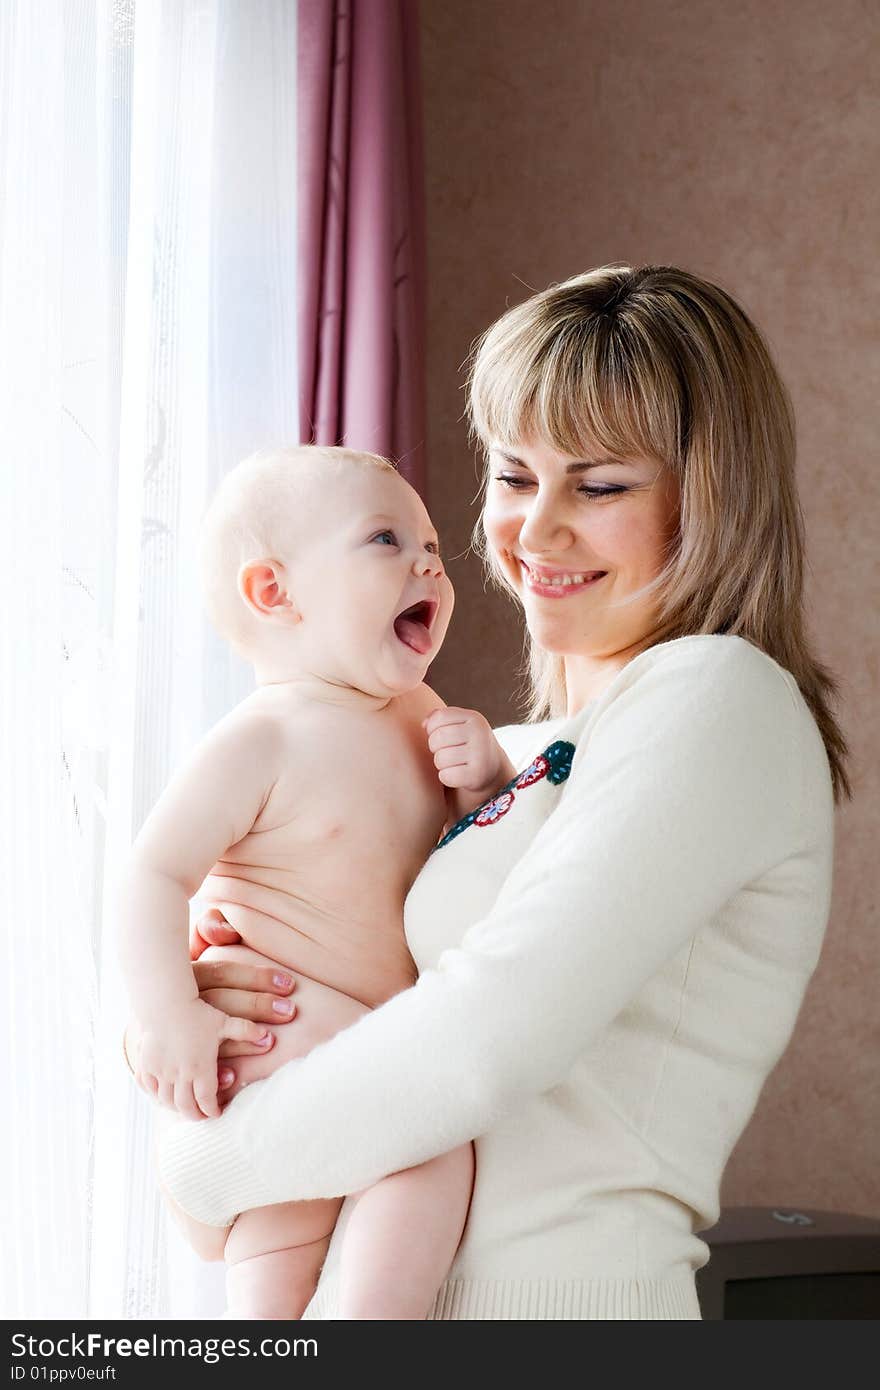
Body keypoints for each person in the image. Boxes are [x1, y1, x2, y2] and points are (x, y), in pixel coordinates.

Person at [132, 264, 850, 1321]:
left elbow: (480, 1041)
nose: (534, 529)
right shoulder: (510, 754)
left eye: (597, 485)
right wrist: (194, 1016)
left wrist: (208, 1162)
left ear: (707, 499)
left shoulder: (716, 697)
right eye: (515, 477)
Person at [118, 444, 520, 1319]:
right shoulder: (262, 738)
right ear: (276, 593)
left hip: (359, 1030)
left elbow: (463, 864)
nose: (427, 562)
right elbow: (150, 874)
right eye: (385, 540)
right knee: (429, 1150)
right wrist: (164, 1015)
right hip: (283, 1023)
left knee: (296, 1239)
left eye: (431, 547)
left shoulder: (423, 715)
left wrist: (487, 785)